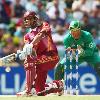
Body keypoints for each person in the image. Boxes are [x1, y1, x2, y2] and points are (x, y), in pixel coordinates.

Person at [16, 11, 61, 96]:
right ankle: (57, 85)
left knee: (29, 61)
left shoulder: (44, 25)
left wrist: (31, 44)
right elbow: (32, 51)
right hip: (40, 61)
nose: (26, 21)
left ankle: (28, 91)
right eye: (25, 19)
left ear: (35, 19)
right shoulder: (27, 36)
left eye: (28, 19)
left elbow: (41, 34)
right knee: (40, 91)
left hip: (52, 56)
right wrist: (24, 52)